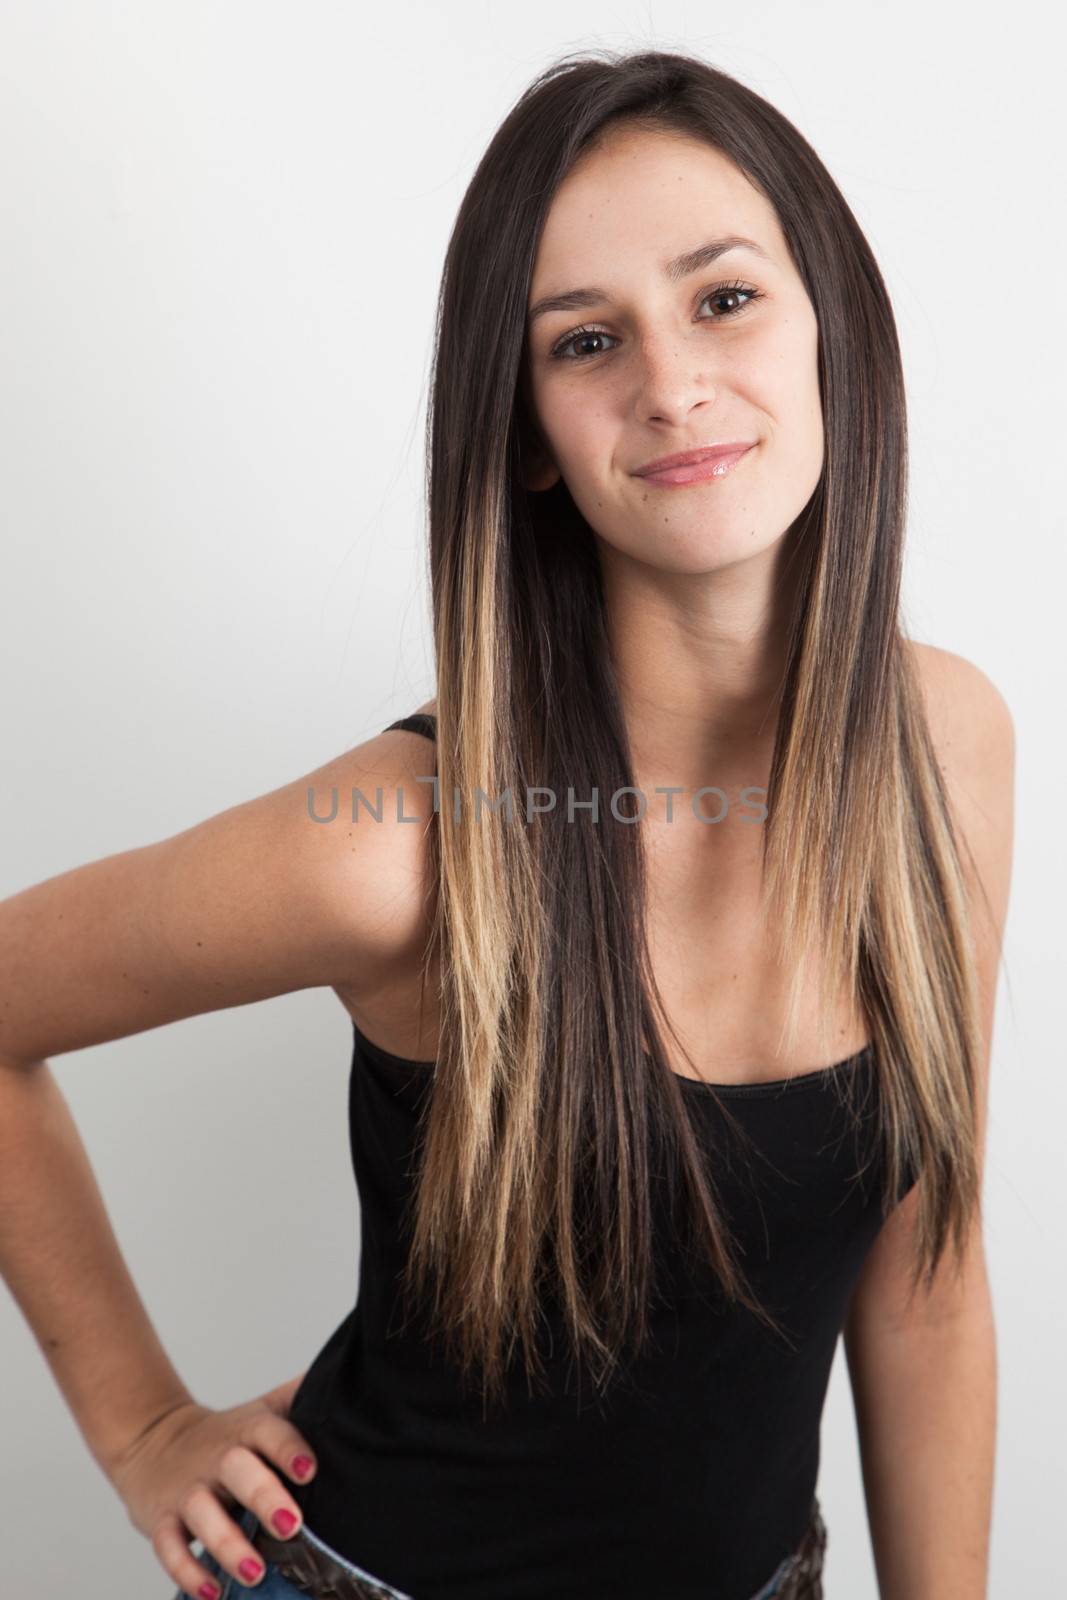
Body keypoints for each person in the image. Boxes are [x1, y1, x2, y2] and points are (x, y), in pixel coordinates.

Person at [0, 47, 1013, 1600]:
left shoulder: (948, 748)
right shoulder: (399, 843)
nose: (672, 383)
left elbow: (929, 1282)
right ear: (530, 433)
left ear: (833, 328)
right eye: (588, 340)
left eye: (725, 298)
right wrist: (140, 1420)